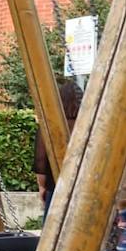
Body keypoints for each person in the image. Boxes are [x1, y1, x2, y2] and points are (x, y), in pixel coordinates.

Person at [35, 81, 82, 213]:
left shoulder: (49, 126)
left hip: (56, 185)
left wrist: (42, 187)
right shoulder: (89, 124)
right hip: (84, 184)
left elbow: (41, 161)